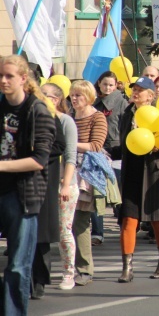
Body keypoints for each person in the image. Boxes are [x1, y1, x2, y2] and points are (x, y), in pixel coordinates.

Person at [0, 55, 56, 314]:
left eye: (9, 76)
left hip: (23, 194)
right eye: (1, 76)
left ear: (24, 78)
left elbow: (39, 160)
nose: (3, 80)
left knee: (18, 265)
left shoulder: (38, 110)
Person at [115, 77, 159, 283]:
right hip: (132, 172)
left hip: (154, 173)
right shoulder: (126, 114)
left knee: (158, 221)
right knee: (128, 220)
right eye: (135, 89)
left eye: (141, 90)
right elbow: (123, 144)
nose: (136, 92)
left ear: (151, 96)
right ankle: (127, 268)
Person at [70, 81, 108, 286]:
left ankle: (84, 270)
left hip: (86, 175)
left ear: (89, 97)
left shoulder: (97, 117)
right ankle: (69, 267)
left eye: (79, 95)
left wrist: (69, 142)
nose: (74, 99)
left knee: (81, 221)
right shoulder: (69, 116)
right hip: (66, 171)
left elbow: (95, 145)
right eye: (73, 95)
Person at [41, 83, 78, 291]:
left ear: (56, 99)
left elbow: (70, 155)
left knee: (64, 230)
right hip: (43, 183)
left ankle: (68, 272)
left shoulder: (65, 121)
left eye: (47, 95)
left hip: (64, 185)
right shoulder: (37, 118)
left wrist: (65, 184)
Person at [92, 71, 128, 245]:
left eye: (111, 85)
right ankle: (97, 232)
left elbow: (125, 127)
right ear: (99, 84)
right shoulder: (94, 103)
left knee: (118, 192)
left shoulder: (121, 103)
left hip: (116, 151)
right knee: (97, 191)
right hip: (98, 151)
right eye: (105, 84)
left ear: (116, 86)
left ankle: (125, 228)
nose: (108, 88)